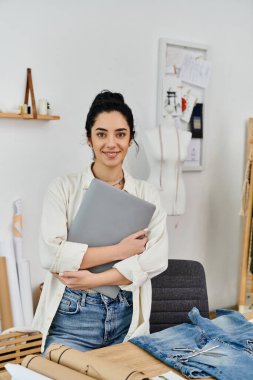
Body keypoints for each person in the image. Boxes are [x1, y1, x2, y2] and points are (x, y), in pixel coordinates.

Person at [32, 90, 169, 354]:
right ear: (89, 139)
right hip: (73, 318)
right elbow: (52, 255)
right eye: (101, 133)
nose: (111, 143)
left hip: (125, 317)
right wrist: (122, 251)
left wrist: (94, 279)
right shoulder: (62, 188)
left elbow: (155, 259)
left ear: (130, 139)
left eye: (120, 134)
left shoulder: (147, 195)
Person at [144, 115, 192, 215]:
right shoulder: (150, 134)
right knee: (154, 226)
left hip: (178, 192)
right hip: (156, 189)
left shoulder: (185, 135)